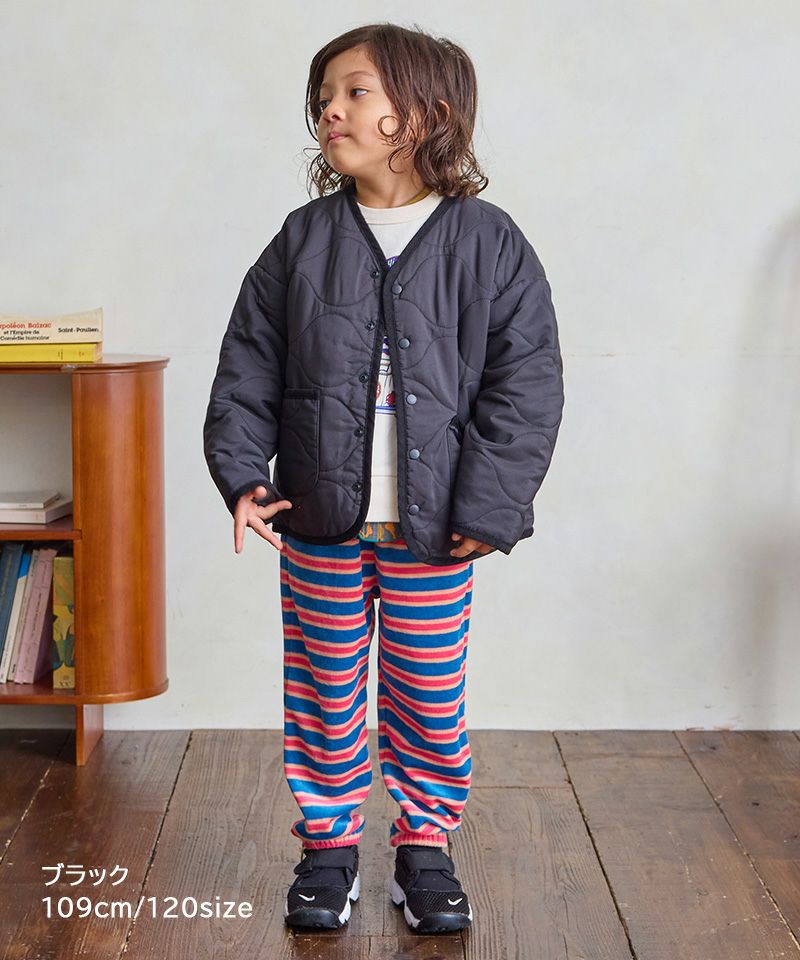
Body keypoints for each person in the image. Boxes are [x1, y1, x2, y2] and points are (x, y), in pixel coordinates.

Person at [203, 22, 565, 935]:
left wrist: (491, 505)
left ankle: (424, 847)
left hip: (436, 529)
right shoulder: (302, 240)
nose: (332, 109)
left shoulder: (489, 242)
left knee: (427, 694)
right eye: (324, 95)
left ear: (427, 113)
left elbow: (526, 386)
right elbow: (247, 365)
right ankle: (328, 848)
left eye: (356, 92)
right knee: (325, 692)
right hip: (318, 519)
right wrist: (242, 475)